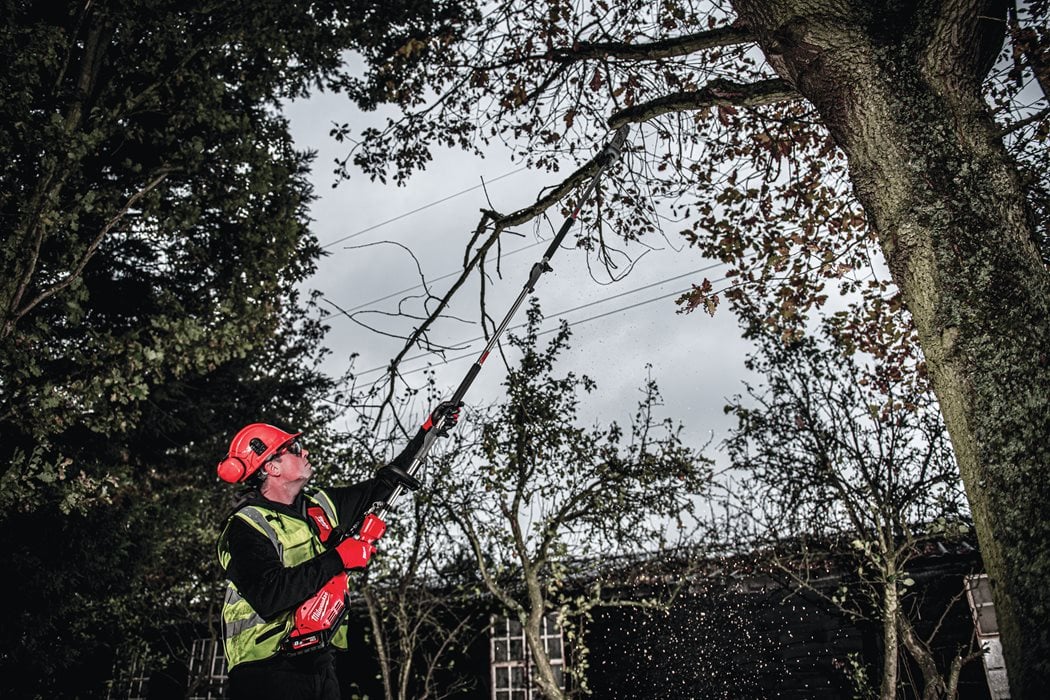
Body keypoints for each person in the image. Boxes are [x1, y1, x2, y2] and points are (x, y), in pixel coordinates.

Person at [214, 401, 461, 700]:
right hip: (264, 669)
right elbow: (270, 595)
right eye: (294, 448)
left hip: (319, 662)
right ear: (271, 467)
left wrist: (428, 432)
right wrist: (340, 557)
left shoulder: (319, 506)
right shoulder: (246, 526)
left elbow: (383, 486)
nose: (304, 451)